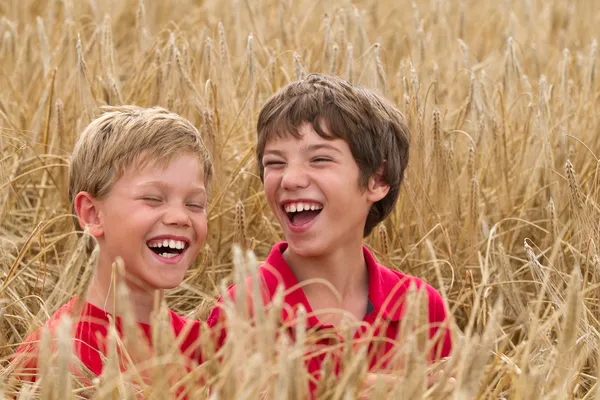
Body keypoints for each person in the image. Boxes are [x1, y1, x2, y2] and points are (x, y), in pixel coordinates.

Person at [207, 74, 452, 393]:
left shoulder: (420, 307)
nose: (290, 179)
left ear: (376, 180)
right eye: (275, 162)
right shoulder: (242, 311)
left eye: (320, 159)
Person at [12, 106, 212, 385]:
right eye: (153, 198)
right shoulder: (56, 354)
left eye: (195, 204)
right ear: (92, 214)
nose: (180, 217)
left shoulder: (206, 349)